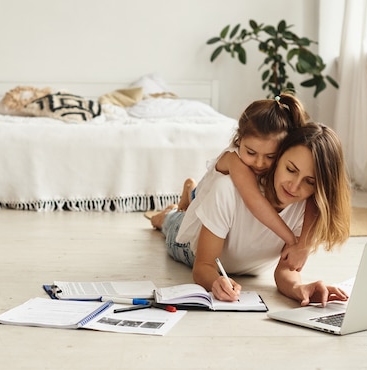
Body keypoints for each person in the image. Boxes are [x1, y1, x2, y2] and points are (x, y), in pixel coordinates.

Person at [151, 122, 352, 305]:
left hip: (247, 266)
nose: (294, 186)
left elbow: (285, 270)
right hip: (190, 249)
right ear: (278, 156)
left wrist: (299, 289)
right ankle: (172, 210)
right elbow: (203, 265)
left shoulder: (309, 206)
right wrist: (215, 282)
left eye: (310, 181)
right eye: (290, 169)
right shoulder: (227, 190)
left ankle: (192, 196)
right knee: (173, 222)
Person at [152, 93, 311, 270]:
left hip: (209, 200)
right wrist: (292, 240)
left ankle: (191, 192)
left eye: (270, 156)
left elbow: (316, 200)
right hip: (198, 225)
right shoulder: (233, 159)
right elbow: (254, 199)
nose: (259, 163)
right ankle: (169, 213)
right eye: (250, 153)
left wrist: (304, 244)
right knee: (173, 223)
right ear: (239, 139)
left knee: (199, 198)